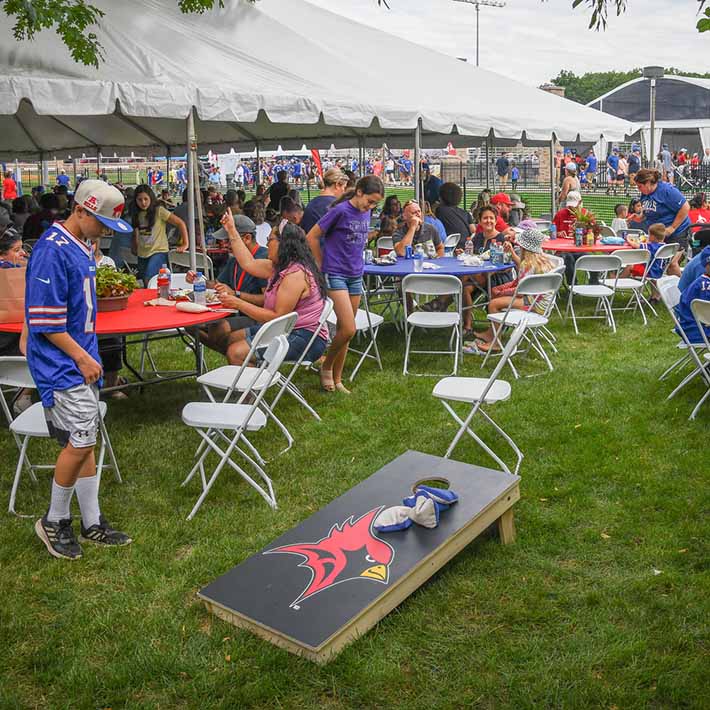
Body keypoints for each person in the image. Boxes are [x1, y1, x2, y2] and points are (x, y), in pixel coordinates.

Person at [21, 179, 133, 560]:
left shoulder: (80, 245)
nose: (105, 231)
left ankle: (91, 520)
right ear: (82, 211)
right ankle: (54, 520)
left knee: (87, 437)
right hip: (63, 364)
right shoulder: (53, 250)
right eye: (101, 223)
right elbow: (47, 322)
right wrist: (83, 357)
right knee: (82, 439)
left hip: (79, 360)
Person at [306, 175, 384, 394]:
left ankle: (337, 378)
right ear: (359, 191)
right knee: (349, 327)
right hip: (336, 273)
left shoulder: (365, 211)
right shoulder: (339, 211)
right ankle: (327, 366)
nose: (371, 206)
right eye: (370, 201)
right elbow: (311, 236)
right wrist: (322, 264)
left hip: (356, 274)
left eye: (375, 204)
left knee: (345, 331)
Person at [218, 216, 328, 366]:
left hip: (305, 337)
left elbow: (277, 317)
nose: (266, 244)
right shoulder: (279, 267)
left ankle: (254, 386)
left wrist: (238, 303)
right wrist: (231, 230)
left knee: (235, 352)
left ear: (283, 244)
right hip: (285, 329)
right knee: (231, 338)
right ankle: (253, 375)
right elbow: (248, 262)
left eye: (269, 240)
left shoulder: (294, 275)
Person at [187, 214, 268, 355]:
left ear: (247, 238)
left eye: (228, 240)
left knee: (219, 327)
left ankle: (233, 353)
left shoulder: (264, 258)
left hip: (257, 316)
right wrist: (199, 280)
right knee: (189, 324)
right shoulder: (234, 259)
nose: (224, 245)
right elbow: (218, 284)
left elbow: (267, 300)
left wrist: (236, 295)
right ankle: (229, 351)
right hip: (234, 311)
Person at [466, 228, 554, 353]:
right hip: (544, 302)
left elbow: (520, 291)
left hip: (534, 305)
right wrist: (503, 288)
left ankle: (496, 342)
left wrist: (502, 292)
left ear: (524, 247)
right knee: (497, 298)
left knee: (493, 304)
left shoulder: (527, 265)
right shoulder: (542, 260)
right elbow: (520, 281)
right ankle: (491, 333)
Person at [634, 168, 690, 272]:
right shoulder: (645, 194)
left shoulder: (667, 190)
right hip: (658, 234)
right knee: (653, 264)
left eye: (640, 186)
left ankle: (683, 287)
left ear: (648, 183)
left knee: (672, 264)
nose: (638, 189)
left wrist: (672, 227)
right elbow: (648, 210)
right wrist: (639, 217)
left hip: (677, 232)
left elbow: (685, 207)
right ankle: (660, 287)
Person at [130, 184, 188, 285]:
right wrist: (134, 246)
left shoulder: (159, 211)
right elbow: (135, 233)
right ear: (135, 200)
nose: (143, 203)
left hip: (159, 251)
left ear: (151, 198)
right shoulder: (136, 214)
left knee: (150, 278)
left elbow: (180, 223)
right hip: (142, 253)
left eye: (145, 199)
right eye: (139, 200)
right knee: (146, 281)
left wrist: (185, 244)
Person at [301, 167, 349, 234]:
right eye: (344, 187)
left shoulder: (311, 204)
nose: (344, 191)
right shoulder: (337, 207)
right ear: (337, 185)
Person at [675, 259, 710, 343]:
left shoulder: (699, 282)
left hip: (690, 328)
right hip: (699, 332)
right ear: (707, 266)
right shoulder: (703, 288)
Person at [436, 182, 475, 250]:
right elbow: (474, 231)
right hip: (465, 246)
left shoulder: (440, 210)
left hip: (450, 247)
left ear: (442, 197)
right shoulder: (465, 213)